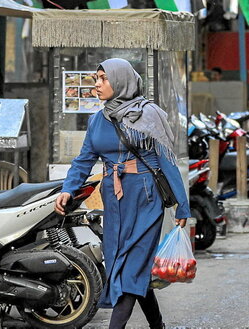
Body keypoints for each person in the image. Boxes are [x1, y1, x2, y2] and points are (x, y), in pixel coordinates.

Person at [54, 58, 191, 329]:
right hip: (114, 199)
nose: (97, 84)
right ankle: (157, 325)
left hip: (145, 197)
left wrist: (182, 206)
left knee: (132, 264)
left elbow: (167, 162)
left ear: (120, 81)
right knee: (124, 264)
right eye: (96, 78)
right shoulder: (97, 120)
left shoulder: (148, 115)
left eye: (103, 79)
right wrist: (68, 190)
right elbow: (83, 160)